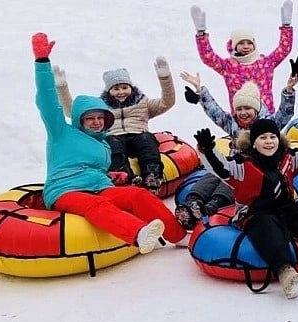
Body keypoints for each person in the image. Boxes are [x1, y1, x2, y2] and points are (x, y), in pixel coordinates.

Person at [31, 33, 184, 254]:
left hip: (99, 187)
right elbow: (47, 101)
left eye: (100, 118)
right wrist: (42, 62)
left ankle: (178, 235)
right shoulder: (61, 133)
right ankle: (139, 234)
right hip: (65, 191)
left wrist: (111, 176)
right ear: (80, 120)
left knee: (138, 195)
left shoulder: (103, 144)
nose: (95, 123)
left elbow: (92, 169)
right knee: (97, 206)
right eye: (90, 118)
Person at [195, 118, 298, 298]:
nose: (268, 141)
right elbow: (220, 168)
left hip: (285, 208)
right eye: (262, 138)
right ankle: (286, 274)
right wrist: (207, 149)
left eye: (272, 137)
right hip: (255, 214)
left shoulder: (288, 159)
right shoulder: (242, 166)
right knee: (267, 227)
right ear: (253, 142)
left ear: (279, 139)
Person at [54, 59, 175, 193]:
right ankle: (125, 177)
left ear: (131, 87)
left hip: (138, 136)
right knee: (111, 142)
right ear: (109, 90)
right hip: (115, 138)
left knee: (146, 139)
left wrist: (165, 78)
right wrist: (61, 87)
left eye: (124, 87)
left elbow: (167, 102)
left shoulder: (143, 103)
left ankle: (152, 175)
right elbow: (73, 111)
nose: (121, 92)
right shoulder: (101, 106)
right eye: (115, 88)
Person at [181, 51, 298, 147]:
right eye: (239, 109)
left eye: (247, 108)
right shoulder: (231, 123)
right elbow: (214, 111)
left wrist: (289, 89)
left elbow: (285, 114)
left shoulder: (268, 124)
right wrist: (199, 89)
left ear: (256, 109)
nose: (243, 112)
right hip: (239, 169)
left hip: (263, 167)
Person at [189, 1, 293, 114]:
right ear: (235, 46)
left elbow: (283, 49)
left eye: (249, 43)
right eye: (241, 43)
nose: (246, 46)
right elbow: (208, 57)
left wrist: (286, 26)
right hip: (240, 119)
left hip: (266, 120)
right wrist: (201, 34)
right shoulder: (228, 67)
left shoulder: (265, 63)